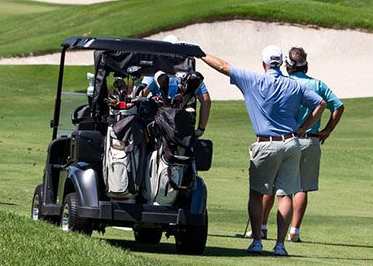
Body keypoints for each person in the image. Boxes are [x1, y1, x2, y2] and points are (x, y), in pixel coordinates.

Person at [199, 45, 325, 256]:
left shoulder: (253, 80)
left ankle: (257, 241)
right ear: (281, 64)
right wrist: (303, 128)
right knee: (285, 195)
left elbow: (222, 66)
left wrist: (199, 54)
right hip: (291, 144)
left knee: (257, 194)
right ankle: (280, 246)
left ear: (264, 63)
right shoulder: (294, 85)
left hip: (266, 145)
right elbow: (320, 104)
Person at [260, 47, 346, 242]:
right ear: (306, 64)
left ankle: (262, 227)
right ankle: (294, 232)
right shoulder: (318, 84)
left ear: (287, 66)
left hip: (283, 139)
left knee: (272, 185)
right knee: (301, 188)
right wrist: (327, 130)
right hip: (310, 140)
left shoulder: (284, 83)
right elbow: (338, 107)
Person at [139, 36, 212, 138]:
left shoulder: (155, 71)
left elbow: (141, 94)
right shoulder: (191, 75)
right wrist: (200, 129)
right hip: (183, 126)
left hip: (159, 123)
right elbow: (206, 101)